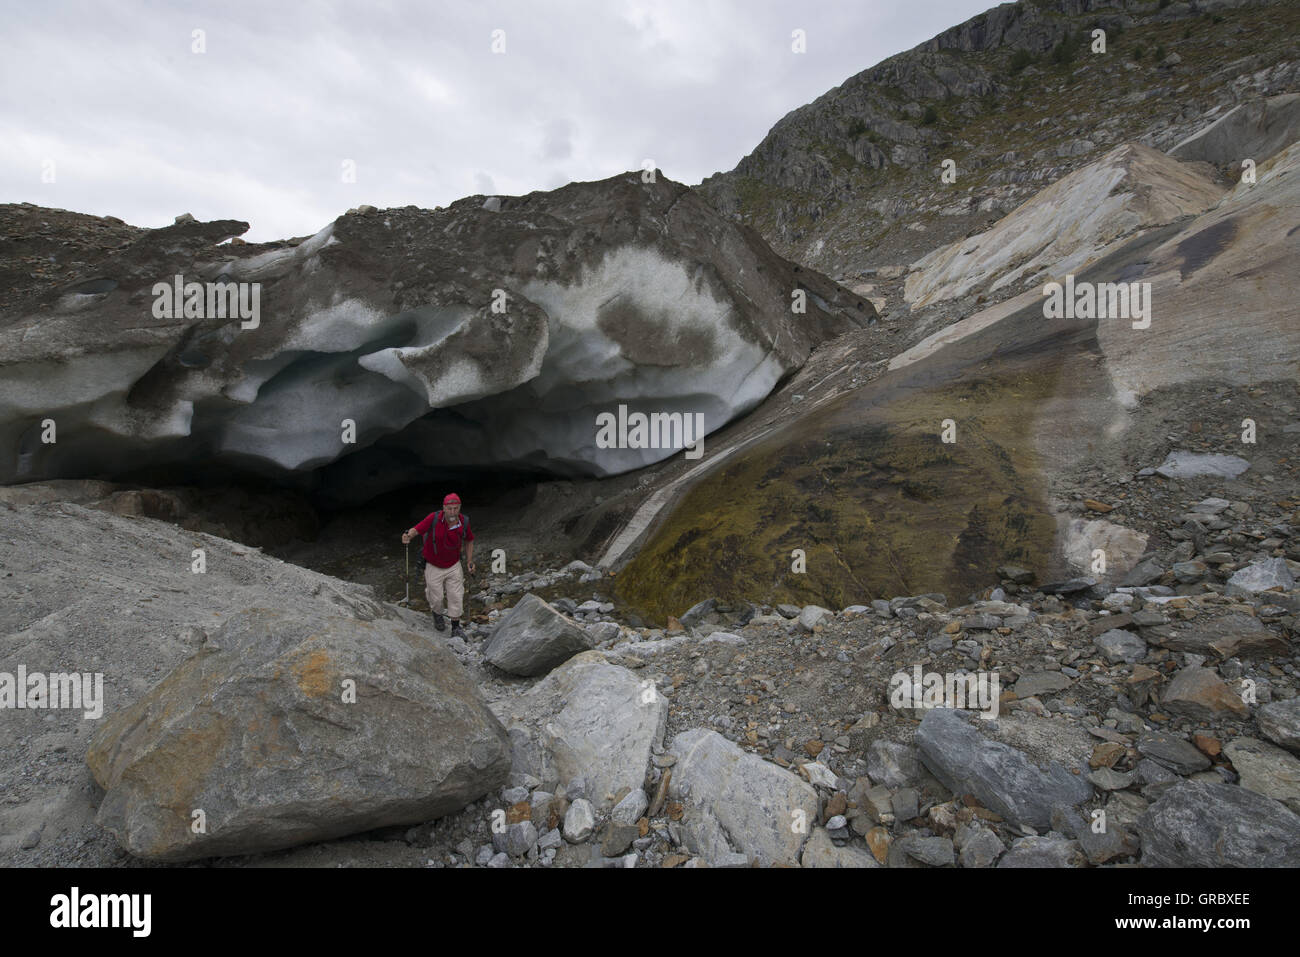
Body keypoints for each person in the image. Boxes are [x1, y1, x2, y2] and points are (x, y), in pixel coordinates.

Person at [402, 493, 475, 638]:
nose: (453, 512)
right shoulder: (434, 518)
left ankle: (455, 626)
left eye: (455, 508)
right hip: (433, 565)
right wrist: (408, 536)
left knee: (456, 595)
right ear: (444, 508)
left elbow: (469, 540)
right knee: (436, 597)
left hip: (454, 565)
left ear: (459, 508)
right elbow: (417, 529)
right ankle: (437, 614)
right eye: (449, 509)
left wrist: (469, 561)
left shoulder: (464, 522)